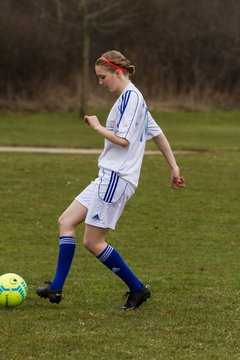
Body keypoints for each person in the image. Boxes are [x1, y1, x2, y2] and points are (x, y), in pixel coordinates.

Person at [36, 50, 185, 310]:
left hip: (116, 178)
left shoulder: (132, 99)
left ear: (118, 72)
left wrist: (96, 126)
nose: (100, 82)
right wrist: (174, 166)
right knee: (66, 221)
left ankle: (138, 288)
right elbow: (158, 134)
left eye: (103, 77)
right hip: (107, 176)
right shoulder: (133, 99)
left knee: (92, 242)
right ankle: (56, 289)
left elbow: (124, 141)